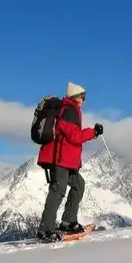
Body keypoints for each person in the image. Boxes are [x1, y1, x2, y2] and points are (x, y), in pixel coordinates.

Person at [36, 81, 103, 241]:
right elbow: (74, 136)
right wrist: (93, 132)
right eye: (83, 96)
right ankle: (45, 229)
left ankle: (68, 221)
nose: (84, 100)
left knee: (79, 185)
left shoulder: (70, 110)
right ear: (76, 97)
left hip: (67, 160)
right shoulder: (69, 111)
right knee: (57, 191)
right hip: (60, 159)